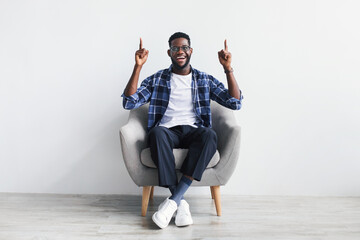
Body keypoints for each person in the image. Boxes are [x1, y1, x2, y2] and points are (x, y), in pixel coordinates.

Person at [122, 32, 243, 229]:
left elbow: (235, 102)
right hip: (167, 132)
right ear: (169, 52)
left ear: (191, 51)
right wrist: (138, 66)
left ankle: (173, 201)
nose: (180, 51)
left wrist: (228, 69)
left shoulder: (204, 79)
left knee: (210, 135)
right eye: (175, 48)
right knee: (157, 133)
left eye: (184, 47)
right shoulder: (158, 79)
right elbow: (129, 102)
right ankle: (180, 202)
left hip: (194, 132)